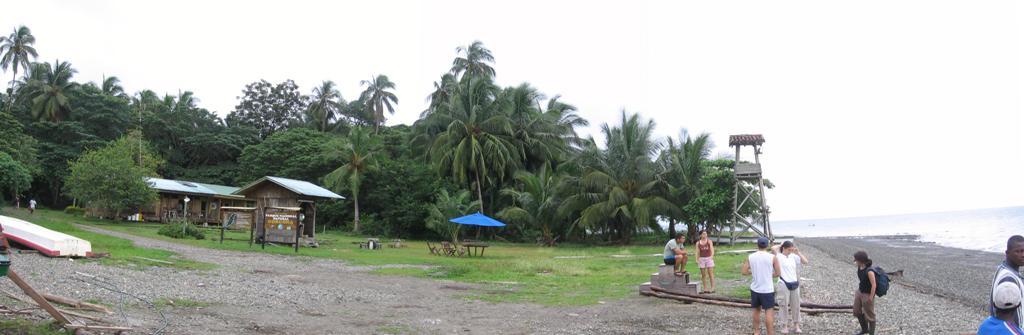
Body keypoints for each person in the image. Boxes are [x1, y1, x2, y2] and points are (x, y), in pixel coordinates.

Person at [742, 236, 781, 335]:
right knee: (769, 312)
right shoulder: (772, 257)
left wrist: (754, 273)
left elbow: (744, 271)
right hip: (767, 289)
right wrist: (768, 274)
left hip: (755, 288)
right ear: (767, 245)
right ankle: (770, 333)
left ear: (757, 245)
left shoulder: (750, 256)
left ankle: (756, 332)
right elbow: (778, 273)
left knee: (756, 311)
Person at [776, 241, 809, 334]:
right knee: (783, 305)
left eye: (791, 249)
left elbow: (805, 261)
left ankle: (796, 325)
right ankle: (784, 326)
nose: (790, 251)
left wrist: (797, 252)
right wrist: (781, 244)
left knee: (796, 305)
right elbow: (773, 248)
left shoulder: (793, 256)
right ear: (784, 248)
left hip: (794, 283)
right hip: (783, 283)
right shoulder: (778, 256)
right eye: (789, 249)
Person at [991, 235, 1024, 327]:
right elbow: (1011, 312)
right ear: (1007, 253)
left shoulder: (1002, 268)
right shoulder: (1009, 279)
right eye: (1018, 251)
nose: (1023, 255)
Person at [853, 251, 877, 335]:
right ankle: (864, 329)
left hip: (867, 294)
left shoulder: (869, 271)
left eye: (856, 259)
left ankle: (871, 333)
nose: (854, 261)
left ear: (861, 260)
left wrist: (871, 297)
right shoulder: (860, 267)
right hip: (860, 292)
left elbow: (874, 285)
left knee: (870, 315)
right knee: (857, 311)